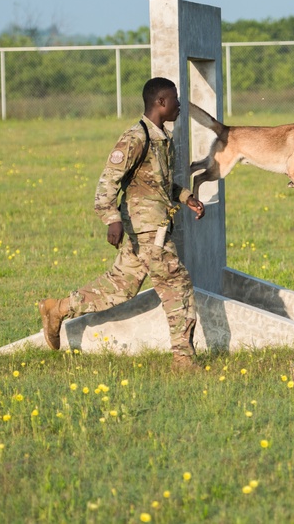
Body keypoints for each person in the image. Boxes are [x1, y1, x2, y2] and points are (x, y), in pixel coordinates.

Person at [38, 77, 206, 371]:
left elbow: (159, 184)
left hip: (153, 227)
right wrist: (111, 219)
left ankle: (58, 308)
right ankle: (183, 359)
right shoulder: (135, 138)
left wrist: (186, 196)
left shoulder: (162, 139)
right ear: (161, 103)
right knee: (177, 286)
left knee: (120, 286)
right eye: (176, 99)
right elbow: (107, 182)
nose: (180, 105)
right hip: (148, 231)